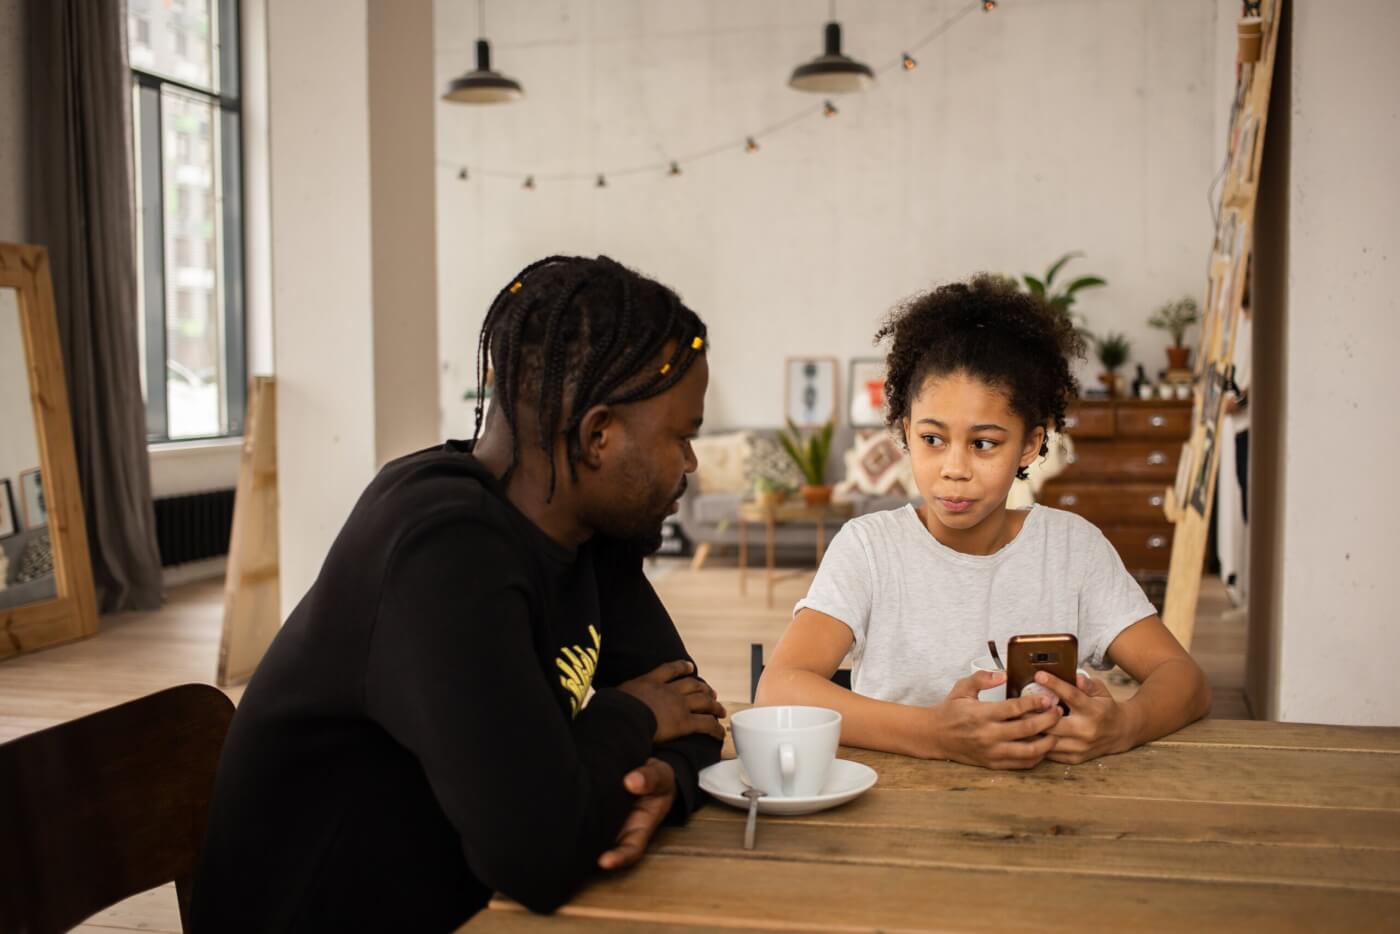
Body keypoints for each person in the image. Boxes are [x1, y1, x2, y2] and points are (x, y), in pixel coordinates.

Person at [192, 256, 726, 931]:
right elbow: (540, 856)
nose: (690, 463)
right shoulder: (441, 546)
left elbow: (693, 708)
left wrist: (667, 784)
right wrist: (630, 718)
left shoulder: (589, 525)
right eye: (682, 436)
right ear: (598, 436)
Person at [756, 276, 1210, 770]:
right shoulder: (869, 549)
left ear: (1031, 445)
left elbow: (1183, 678)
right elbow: (778, 688)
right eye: (932, 439)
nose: (954, 468)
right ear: (906, 431)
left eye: (984, 443)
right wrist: (936, 733)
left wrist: (1125, 725)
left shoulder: (1072, 549)